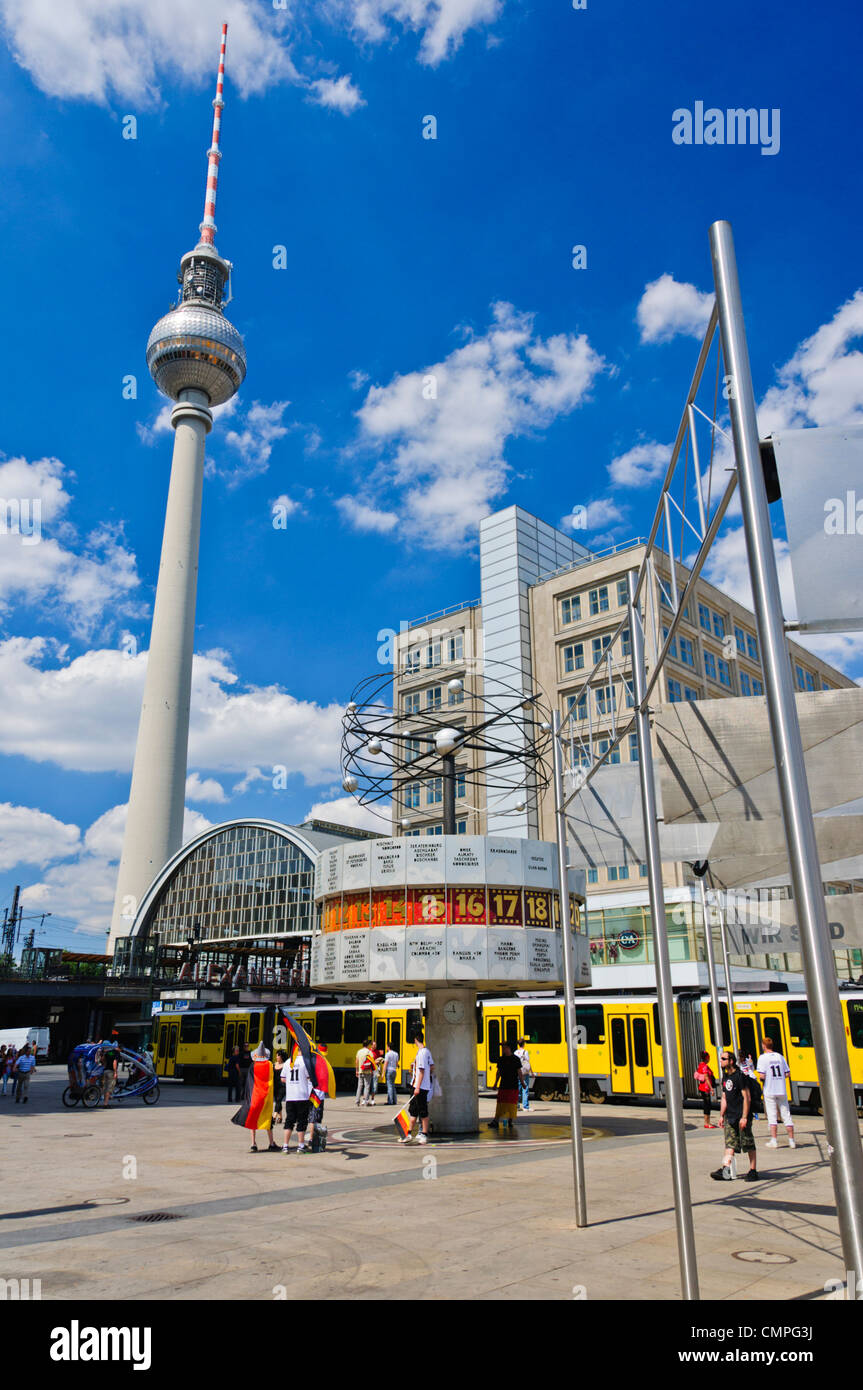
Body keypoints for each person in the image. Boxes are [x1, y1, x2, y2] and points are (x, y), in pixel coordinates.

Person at [710, 1050, 758, 1181]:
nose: (721, 1061)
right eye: (721, 1059)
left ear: (731, 1061)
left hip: (742, 1116)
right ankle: (726, 1170)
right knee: (729, 1144)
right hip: (730, 1116)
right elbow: (724, 1097)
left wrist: (744, 1117)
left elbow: (746, 1097)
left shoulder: (740, 1076)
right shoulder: (725, 1077)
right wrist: (721, 1116)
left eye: (723, 1059)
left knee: (748, 1143)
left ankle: (753, 1170)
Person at [756, 1036, 796, 1149]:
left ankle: (774, 1140)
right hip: (781, 1089)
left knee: (772, 1116)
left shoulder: (762, 1058)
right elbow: (787, 1073)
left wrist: (764, 1080)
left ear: (763, 1046)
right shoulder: (779, 1056)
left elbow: (762, 1075)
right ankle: (792, 1141)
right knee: (786, 1115)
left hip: (770, 1089)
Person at [398, 1029, 434, 1145]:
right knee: (413, 1111)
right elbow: (432, 1067)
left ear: (415, 1040)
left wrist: (417, 1087)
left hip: (420, 1087)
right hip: (419, 1086)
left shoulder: (422, 1053)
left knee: (423, 1111)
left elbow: (422, 1070)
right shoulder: (426, 1051)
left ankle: (424, 1134)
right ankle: (408, 1134)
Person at [281, 1046, 312, 1154]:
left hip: (290, 1096)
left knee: (289, 1121)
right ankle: (301, 1145)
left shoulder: (287, 1062)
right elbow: (309, 1077)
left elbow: (283, 1078)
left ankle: (285, 1146)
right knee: (302, 1121)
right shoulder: (305, 1062)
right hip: (302, 1095)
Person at [489, 1042, 521, 1131]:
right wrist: (495, 1083)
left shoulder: (516, 1059)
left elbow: (519, 1071)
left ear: (509, 1048)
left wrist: (522, 1082)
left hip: (513, 1085)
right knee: (500, 1103)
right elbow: (498, 1072)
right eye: (502, 1048)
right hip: (503, 1084)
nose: (503, 1049)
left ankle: (510, 1120)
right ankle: (496, 1120)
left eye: (504, 1048)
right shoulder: (501, 1059)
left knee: (511, 1103)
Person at [694, 1051, 718, 1129]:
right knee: (707, 1105)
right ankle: (707, 1123)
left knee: (706, 1105)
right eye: (709, 1057)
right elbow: (706, 1078)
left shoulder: (700, 1065)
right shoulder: (704, 1066)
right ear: (707, 1058)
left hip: (702, 1087)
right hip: (705, 1088)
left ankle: (707, 1122)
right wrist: (711, 1089)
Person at [355, 1038, 375, 1106]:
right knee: (367, 1086)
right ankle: (366, 1101)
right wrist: (373, 1071)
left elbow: (356, 1061)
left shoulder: (359, 1051)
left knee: (359, 1086)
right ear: (368, 1045)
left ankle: (357, 1101)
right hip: (367, 1071)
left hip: (361, 1071)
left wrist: (357, 1070)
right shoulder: (369, 1052)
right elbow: (372, 1062)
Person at [514, 1037, 532, 1112]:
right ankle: (525, 1106)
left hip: (517, 1072)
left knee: (517, 1089)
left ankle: (517, 1106)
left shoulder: (515, 1052)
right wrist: (531, 1072)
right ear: (523, 1044)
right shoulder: (525, 1052)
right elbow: (528, 1062)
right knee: (525, 1088)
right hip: (524, 1072)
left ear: (518, 1044)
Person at [100, 1039, 119, 1107]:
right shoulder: (115, 1053)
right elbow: (114, 1062)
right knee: (109, 1087)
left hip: (105, 1071)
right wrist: (115, 1072)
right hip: (111, 1071)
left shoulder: (108, 1053)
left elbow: (102, 1060)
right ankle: (106, 1104)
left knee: (105, 1087)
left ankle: (106, 1099)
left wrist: (104, 1065)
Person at [272, 1048, 286, 1123]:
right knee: (278, 1101)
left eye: (277, 1056)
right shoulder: (274, 1064)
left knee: (278, 1100)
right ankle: (280, 1117)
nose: (276, 1057)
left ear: (281, 1057)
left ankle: (274, 1116)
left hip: (283, 1086)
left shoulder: (286, 1065)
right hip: (275, 1086)